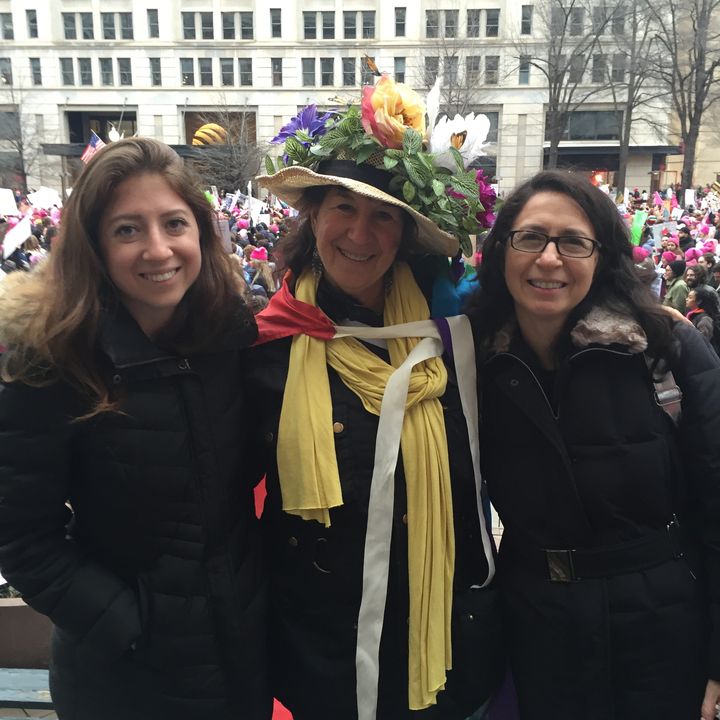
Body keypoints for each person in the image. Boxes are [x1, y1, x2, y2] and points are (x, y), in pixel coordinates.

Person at [247, 81, 503, 720]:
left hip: (446, 638)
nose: (361, 232)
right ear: (313, 217)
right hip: (323, 652)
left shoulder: (453, 339)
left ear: (405, 233)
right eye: (343, 207)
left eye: (383, 213)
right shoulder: (264, 348)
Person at [0, 138, 270, 720]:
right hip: (126, 677)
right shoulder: (51, 360)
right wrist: (124, 624)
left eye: (174, 223)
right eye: (128, 229)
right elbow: (22, 537)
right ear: (94, 246)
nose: (157, 249)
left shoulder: (233, 338)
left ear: (201, 232)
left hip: (240, 654)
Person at [466, 169, 720, 720]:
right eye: (530, 237)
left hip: (665, 636)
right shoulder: (472, 362)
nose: (549, 259)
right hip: (537, 633)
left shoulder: (665, 352)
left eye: (573, 242)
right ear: (501, 249)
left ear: (602, 256)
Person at [686, 285, 720, 353]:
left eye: (690, 297)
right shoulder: (693, 314)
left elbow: (702, 343)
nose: (686, 299)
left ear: (699, 301)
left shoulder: (705, 320)